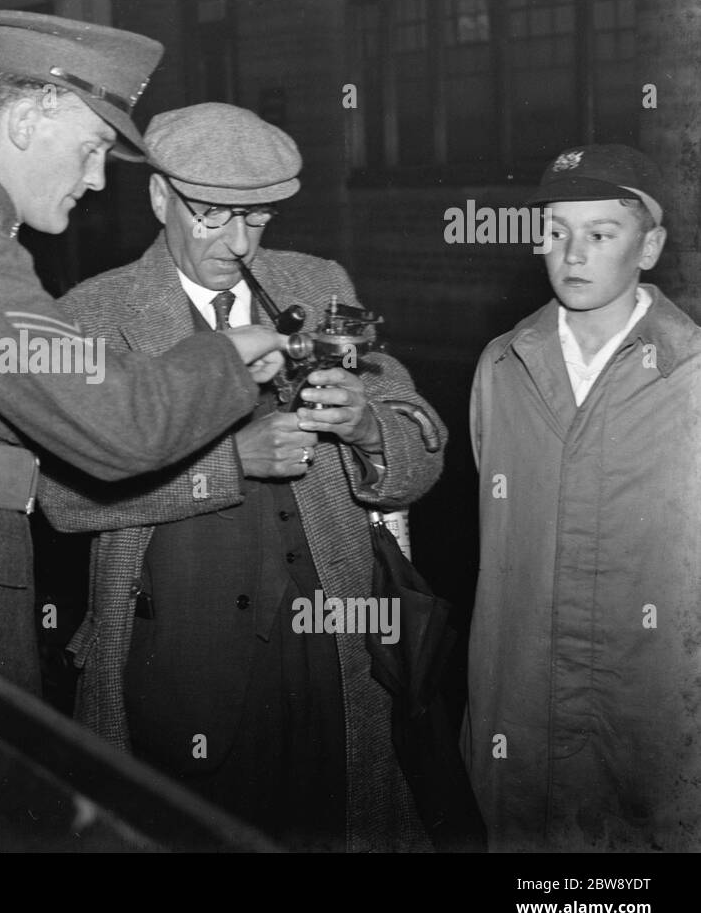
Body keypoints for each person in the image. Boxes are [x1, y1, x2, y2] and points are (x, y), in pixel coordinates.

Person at [0, 11, 290, 698]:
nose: (98, 179)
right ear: (31, 118)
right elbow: (121, 421)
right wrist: (225, 352)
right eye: (94, 145)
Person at [36, 103, 447, 851]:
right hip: (178, 664)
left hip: (330, 649)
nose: (239, 243)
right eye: (213, 216)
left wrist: (366, 427)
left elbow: (421, 447)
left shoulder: (318, 283)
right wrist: (228, 463)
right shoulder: (92, 315)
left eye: (257, 219)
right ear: (160, 198)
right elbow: (62, 497)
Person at [463, 144, 701, 852]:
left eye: (601, 234)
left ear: (650, 245)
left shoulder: (690, 377)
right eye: (556, 231)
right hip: (523, 712)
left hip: (653, 716)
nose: (572, 252)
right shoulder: (503, 365)